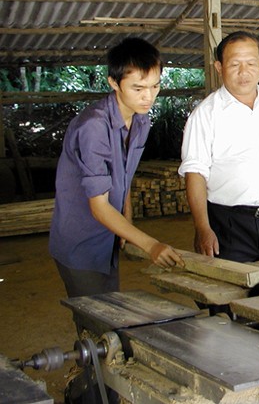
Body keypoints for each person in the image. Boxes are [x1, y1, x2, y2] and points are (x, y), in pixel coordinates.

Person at [49, 37, 184, 299]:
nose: (149, 96)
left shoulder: (141, 120)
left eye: (155, 86)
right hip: (81, 242)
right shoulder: (93, 127)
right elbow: (99, 207)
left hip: (109, 236)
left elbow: (125, 175)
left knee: (111, 308)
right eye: (138, 88)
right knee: (95, 321)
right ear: (114, 82)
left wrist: (126, 219)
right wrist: (150, 245)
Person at [179, 31, 259, 273]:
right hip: (229, 227)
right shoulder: (205, 115)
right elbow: (195, 174)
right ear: (219, 67)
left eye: (251, 63)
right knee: (230, 301)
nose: (244, 72)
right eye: (234, 64)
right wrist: (203, 227)